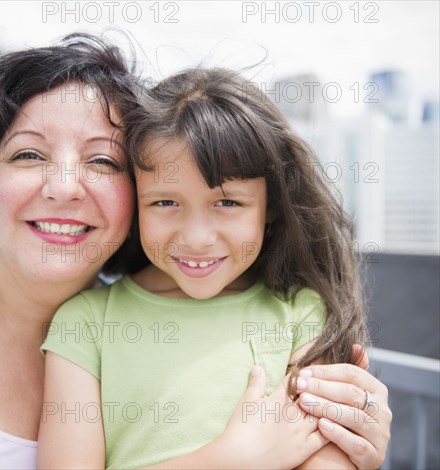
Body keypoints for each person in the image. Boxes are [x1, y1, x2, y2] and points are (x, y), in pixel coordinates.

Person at [0, 35, 390, 469]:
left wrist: (356, 440)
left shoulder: (293, 311)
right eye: (29, 154)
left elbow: (327, 447)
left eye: (102, 161)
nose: (63, 187)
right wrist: (230, 460)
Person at [39, 68, 392, 469]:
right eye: (165, 203)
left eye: (227, 203)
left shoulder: (301, 313)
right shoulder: (84, 324)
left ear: (271, 206)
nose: (197, 237)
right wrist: (229, 459)